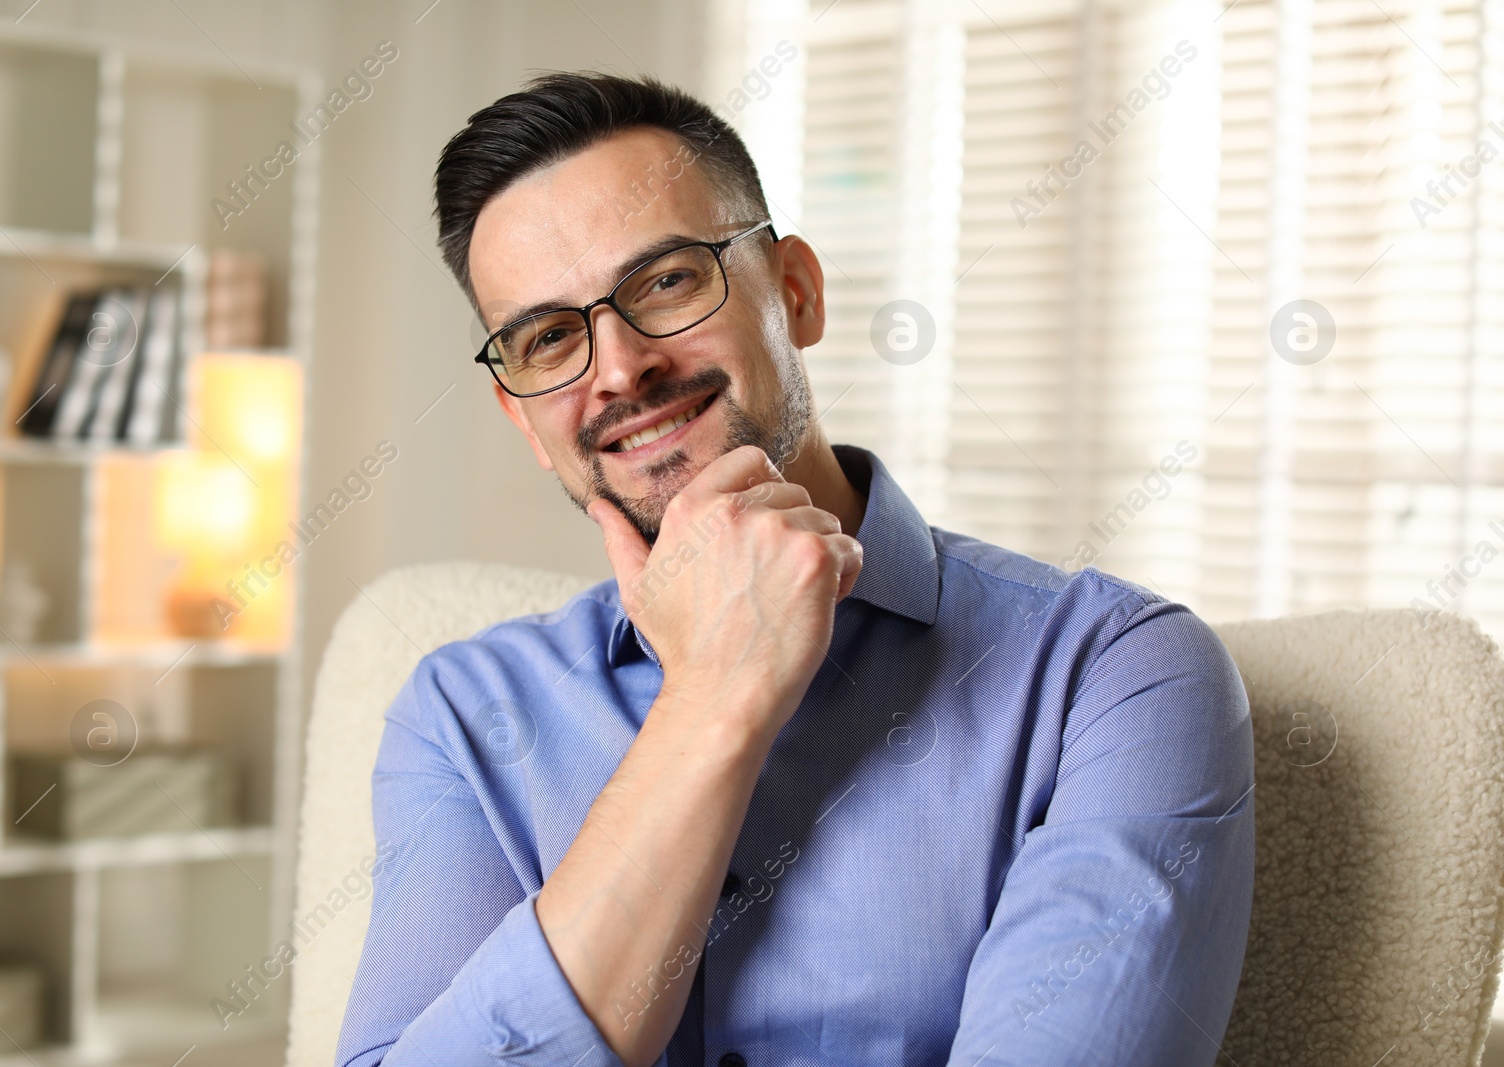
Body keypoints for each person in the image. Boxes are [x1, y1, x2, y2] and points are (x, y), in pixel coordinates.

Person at [335, 72, 1254, 1067]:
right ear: (520, 413)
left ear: (797, 292)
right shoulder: (460, 713)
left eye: (665, 281)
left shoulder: (1115, 676)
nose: (617, 367)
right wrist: (711, 696)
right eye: (550, 336)